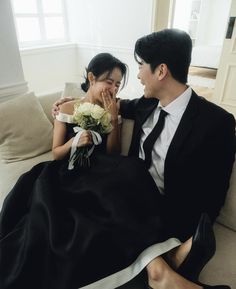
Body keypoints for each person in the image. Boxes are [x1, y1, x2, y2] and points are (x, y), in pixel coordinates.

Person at [52, 29, 235, 289]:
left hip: (163, 209)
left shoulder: (217, 123)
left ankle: (168, 260)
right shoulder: (145, 104)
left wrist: (195, 229)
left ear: (161, 71)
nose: (137, 75)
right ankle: (164, 265)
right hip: (126, 194)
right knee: (101, 193)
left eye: (141, 67)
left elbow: (216, 189)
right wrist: (68, 102)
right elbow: (109, 103)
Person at [0, 52, 198, 289]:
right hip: (67, 171)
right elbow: (56, 152)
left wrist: (113, 119)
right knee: (56, 221)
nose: (112, 89)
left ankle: (160, 253)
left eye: (117, 84)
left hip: (101, 167)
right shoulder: (69, 107)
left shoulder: (113, 109)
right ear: (92, 78)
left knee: (131, 170)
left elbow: (113, 153)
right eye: (109, 82)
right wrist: (75, 142)